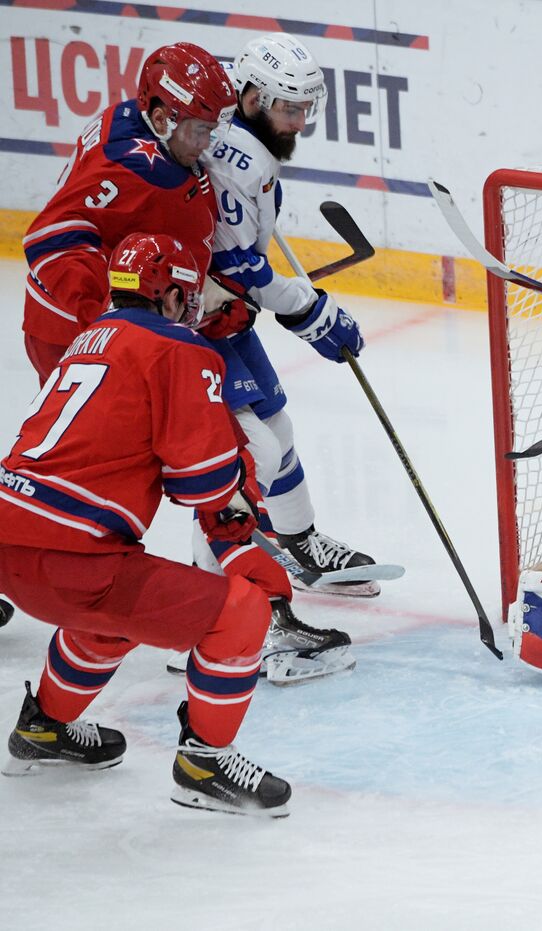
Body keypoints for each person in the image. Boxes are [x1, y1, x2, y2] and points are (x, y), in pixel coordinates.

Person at [0, 233, 291, 816]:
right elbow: (200, 485)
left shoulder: (90, 338)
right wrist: (238, 519)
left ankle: (44, 729)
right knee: (240, 612)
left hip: (13, 545)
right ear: (175, 294)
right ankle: (203, 764)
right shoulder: (182, 351)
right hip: (75, 560)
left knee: (116, 618)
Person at [197, 33, 376, 598]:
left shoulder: (233, 126)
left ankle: (300, 543)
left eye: (306, 108)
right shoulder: (239, 161)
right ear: (252, 98)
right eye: (289, 108)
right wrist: (309, 310)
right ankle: (213, 604)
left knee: (277, 428)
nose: (300, 121)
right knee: (245, 460)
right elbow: (239, 269)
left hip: (220, 310)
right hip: (193, 320)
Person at [20, 43, 234, 384]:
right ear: (163, 118)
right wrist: (103, 317)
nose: (206, 144)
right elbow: (51, 238)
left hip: (105, 325)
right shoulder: (133, 169)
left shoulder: (135, 117)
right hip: (71, 332)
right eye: (200, 131)